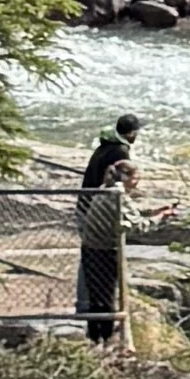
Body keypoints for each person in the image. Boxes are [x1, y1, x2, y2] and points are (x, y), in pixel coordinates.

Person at [77, 116, 140, 342]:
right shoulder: (120, 153)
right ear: (132, 132)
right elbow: (136, 224)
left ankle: (90, 314)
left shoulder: (104, 146)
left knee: (89, 261)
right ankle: (97, 321)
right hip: (97, 209)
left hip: (86, 204)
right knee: (100, 273)